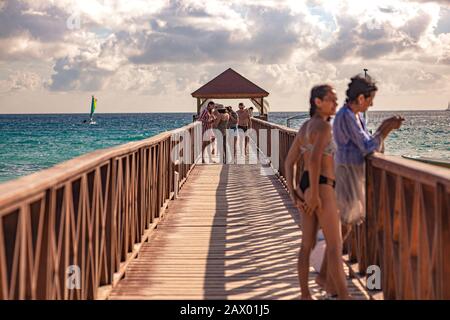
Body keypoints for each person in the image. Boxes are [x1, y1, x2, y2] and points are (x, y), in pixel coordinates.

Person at [315, 75, 404, 295]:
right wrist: (385, 129)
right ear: (361, 97)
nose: (372, 104)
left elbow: (366, 145)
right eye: (371, 99)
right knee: (341, 230)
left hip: (350, 175)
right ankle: (326, 279)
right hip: (347, 176)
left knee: (343, 230)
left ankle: (325, 278)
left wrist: (381, 134)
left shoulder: (352, 116)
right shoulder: (347, 116)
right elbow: (366, 146)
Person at [284, 84, 351, 300]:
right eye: (331, 99)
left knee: (306, 245)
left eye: (336, 99)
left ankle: (305, 295)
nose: (336, 103)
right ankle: (343, 295)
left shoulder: (304, 127)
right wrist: (313, 194)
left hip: (305, 186)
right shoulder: (323, 127)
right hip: (321, 187)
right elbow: (314, 160)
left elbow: (289, 162)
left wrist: (294, 192)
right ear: (318, 102)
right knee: (334, 245)